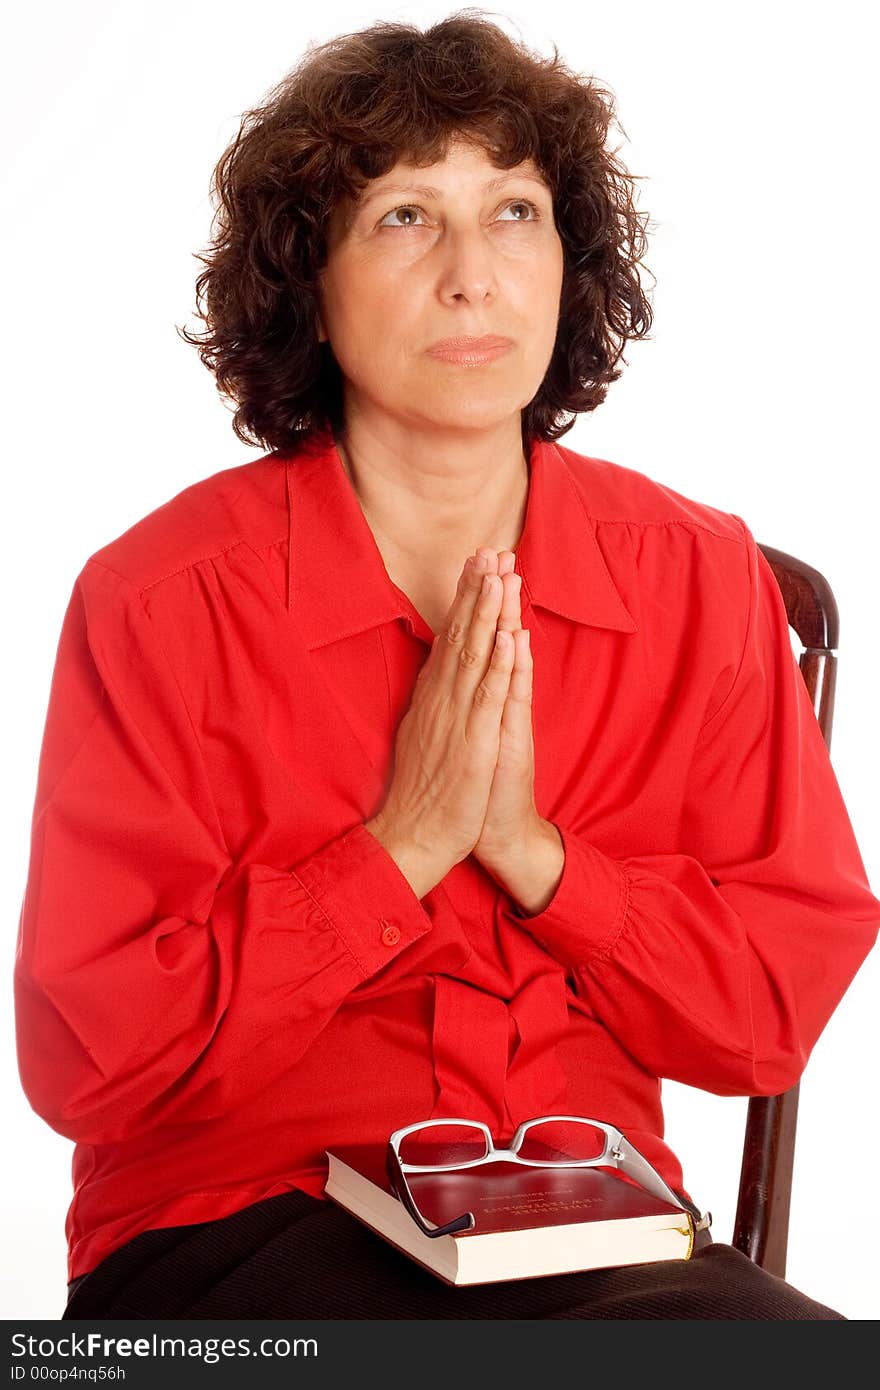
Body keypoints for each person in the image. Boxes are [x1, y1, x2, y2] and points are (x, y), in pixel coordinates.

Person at [15, 11, 879, 1320]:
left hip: (591, 1236)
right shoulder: (161, 601)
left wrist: (538, 855)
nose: (475, 273)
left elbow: (762, 1011)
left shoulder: (697, 576)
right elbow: (91, 1059)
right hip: (232, 1238)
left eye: (516, 212)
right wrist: (398, 849)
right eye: (407, 216)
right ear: (310, 278)